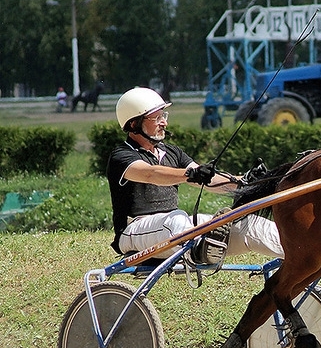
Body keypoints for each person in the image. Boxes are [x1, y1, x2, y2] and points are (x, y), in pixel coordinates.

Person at [106, 86, 283, 262]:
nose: (164, 123)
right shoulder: (122, 155)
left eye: (164, 116)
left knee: (250, 225)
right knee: (177, 219)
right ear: (134, 123)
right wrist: (191, 173)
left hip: (177, 230)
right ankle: (202, 249)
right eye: (156, 118)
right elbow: (151, 174)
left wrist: (244, 182)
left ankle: (303, 256)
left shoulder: (172, 152)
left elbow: (207, 179)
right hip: (134, 231)